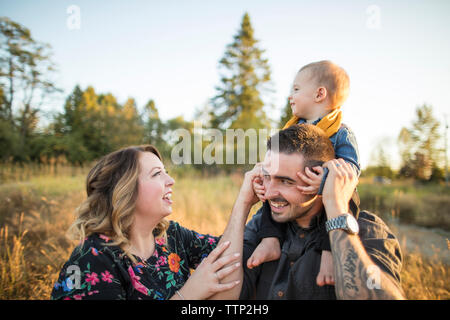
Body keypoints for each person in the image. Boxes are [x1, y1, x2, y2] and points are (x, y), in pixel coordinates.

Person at [51, 145, 243, 300]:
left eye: (166, 172)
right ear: (126, 191)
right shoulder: (93, 258)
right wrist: (188, 295)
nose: (171, 180)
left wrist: (245, 202)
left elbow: (231, 256)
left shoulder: (172, 236)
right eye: (157, 174)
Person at [234, 124, 404, 299]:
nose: (268, 193)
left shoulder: (367, 232)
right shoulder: (263, 224)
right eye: (267, 177)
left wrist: (336, 207)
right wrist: (244, 202)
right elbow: (221, 290)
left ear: (320, 178)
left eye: (286, 181)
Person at [249, 60, 361, 286]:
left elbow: (350, 171)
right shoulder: (293, 128)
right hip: (299, 192)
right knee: (269, 196)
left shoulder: (341, 132)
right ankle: (270, 239)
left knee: (345, 205)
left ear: (320, 94)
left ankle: (329, 253)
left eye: (297, 89)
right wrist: (268, 175)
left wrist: (326, 183)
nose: (291, 95)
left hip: (327, 193)